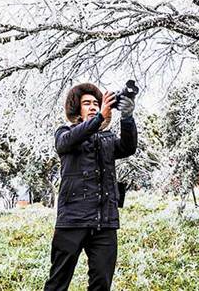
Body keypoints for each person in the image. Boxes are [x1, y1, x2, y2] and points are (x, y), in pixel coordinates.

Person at [43, 82, 138, 291]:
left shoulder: (107, 139)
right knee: (58, 282)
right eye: (87, 103)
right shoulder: (65, 133)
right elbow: (68, 141)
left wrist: (127, 117)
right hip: (72, 220)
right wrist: (99, 118)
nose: (94, 106)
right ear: (76, 108)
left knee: (101, 284)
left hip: (105, 222)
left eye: (97, 103)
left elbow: (129, 147)